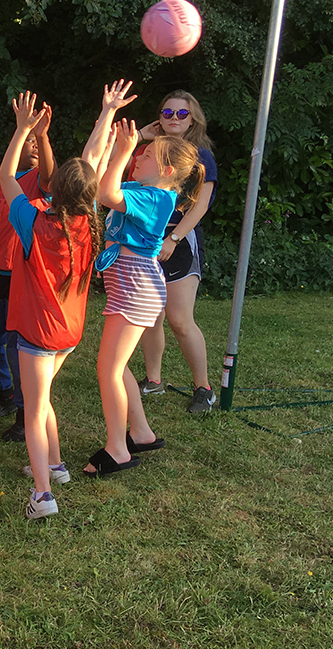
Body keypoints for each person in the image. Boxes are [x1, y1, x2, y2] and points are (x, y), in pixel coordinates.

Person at [0, 92, 103, 519]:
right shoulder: (92, 222)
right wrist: (107, 114)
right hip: (69, 333)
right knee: (40, 396)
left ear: (54, 188)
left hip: (40, 333)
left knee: (34, 407)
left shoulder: (34, 220)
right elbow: (90, 165)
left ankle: (42, 495)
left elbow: (6, 175)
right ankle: (56, 465)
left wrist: (23, 128)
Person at [87, 119, 204, 476]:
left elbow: (107, 196)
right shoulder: (142, 189)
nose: (139, 156)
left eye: (147, 155)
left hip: (136, 289)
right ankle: (140, 432)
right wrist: (128, 140)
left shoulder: (156, 198)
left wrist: (123, 150)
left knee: (107, 369)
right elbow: (99, 185)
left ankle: (117, 449)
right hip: (132, 287)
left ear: (166, 170)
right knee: (115, 365)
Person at [135, 91, 220, 413]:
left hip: (179, 242)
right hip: (145, 241)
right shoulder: (149, 151)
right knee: (150, 317)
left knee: (180, 320)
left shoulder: (201, 157)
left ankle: (204, 388)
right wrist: (141, 137)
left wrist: (174, 238)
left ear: (193, 119)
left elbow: (199, 206)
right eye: (167, 112)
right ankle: (153, 381)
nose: (173, 118)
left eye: (181, 114)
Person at [0, 100, 56, 442]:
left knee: (17, 347)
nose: (36, 148)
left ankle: (27, 415)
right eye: (31, 142)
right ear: (16, 142)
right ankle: (4, 395)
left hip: (26, 276)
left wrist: (41, 133)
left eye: (40, 143)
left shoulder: (39, 183)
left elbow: (52, 179)